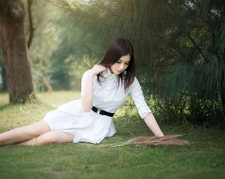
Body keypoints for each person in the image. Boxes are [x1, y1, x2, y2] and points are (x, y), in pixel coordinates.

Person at [0, 38, 164, 146]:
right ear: (110, 57)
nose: (121, 67)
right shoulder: (91, 75)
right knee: (36, 129)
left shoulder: (130, 81)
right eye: (118, 61)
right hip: (77, 113)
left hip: (98, 125)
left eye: (126, 63)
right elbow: (86, 107)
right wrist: (92, 74)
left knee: (51, 138)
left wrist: (159, 135)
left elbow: (144, 110)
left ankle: (15, 145)